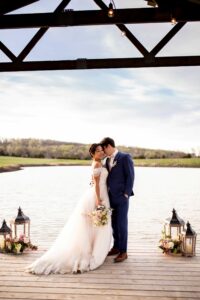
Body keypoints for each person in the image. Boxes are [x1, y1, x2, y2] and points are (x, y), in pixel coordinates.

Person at [26, 143, 112, 274]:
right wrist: (98, 200)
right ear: (93, 154)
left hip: (99, 193)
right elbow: (96, 185)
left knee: (95, 225)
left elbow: (93, 181)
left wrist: (107, 154)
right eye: (98, 151)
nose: (101, 152)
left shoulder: (98, 162)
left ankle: (96, 249)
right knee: (97, 225)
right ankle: (95, 253)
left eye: (101, 150)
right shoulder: (98, 164)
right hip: (98, 195)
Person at [100, 137, 134, 263]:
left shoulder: (125, 157)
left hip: (121, 197)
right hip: (110, 197)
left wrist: (126, 194)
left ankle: (123, 251)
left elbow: (130, 176)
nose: (103, 152)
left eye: (104, 149)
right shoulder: (107, 160)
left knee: (122, 224)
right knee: (114, 224)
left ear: (109, 146)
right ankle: (116, 247)